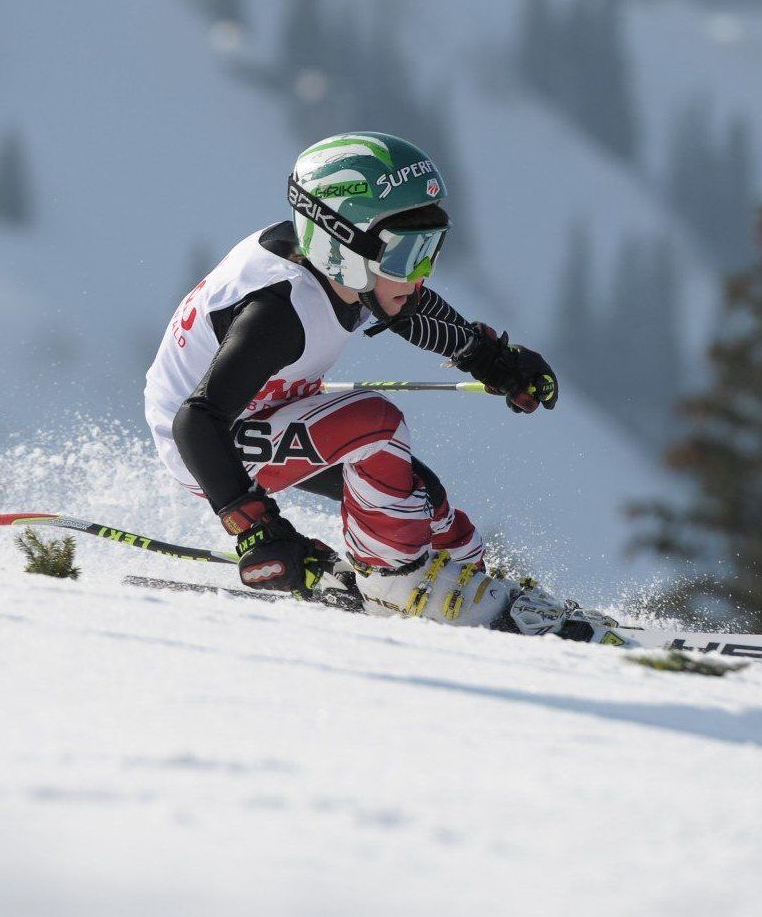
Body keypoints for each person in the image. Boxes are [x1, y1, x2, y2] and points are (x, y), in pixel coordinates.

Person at [143, 131, 600, 639]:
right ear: (344, 244)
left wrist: (488, 357)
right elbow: (195, 420)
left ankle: (472, 586)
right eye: (408, 254)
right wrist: (256, 529)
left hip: (263, 409)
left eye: (431, 249)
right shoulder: (279, 312)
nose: (420, 274)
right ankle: (395, 583)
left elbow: (406, 305)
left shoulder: (340, 268)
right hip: (212, 445)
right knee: (377, 426)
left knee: (416, 495)